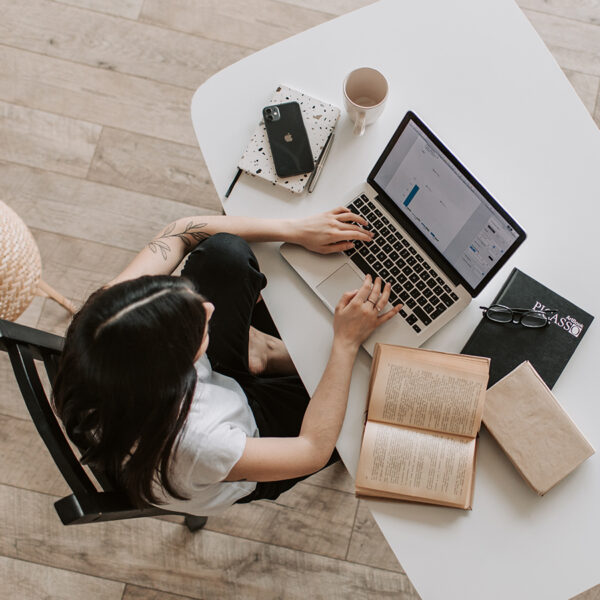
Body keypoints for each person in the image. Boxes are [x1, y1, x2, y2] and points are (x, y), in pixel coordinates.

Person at [52, 207, 401, 516]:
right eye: (197, 327)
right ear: (176, 372)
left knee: (223, 253)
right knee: (372, 397)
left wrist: (295, 229)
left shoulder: (103, 324)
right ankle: (264, 354)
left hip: (197, 397)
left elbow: (180, 232)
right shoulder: (200, 443)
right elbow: (311, 450)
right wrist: (344, 343)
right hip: (249, 441)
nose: (209, 308)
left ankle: (259, 353)